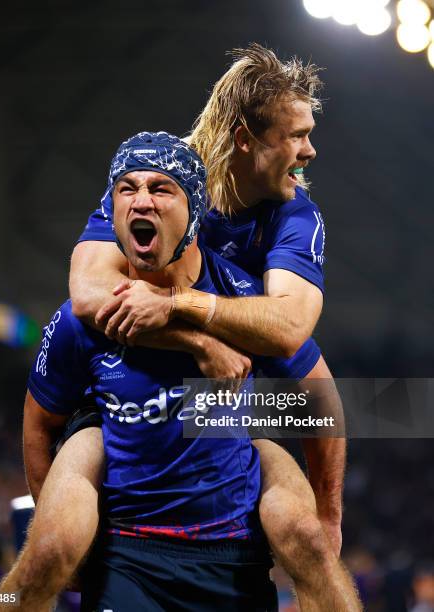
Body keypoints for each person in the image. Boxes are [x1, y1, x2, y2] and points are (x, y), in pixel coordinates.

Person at [69, 44, 359, 610]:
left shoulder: (295, 214)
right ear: (246, 139)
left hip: (225, 397)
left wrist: (328, 516)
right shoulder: (158, 179)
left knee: (312, 519)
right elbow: (87, 294)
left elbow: (291, 328)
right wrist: (194, 339)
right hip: (120, 389)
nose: (310, 149)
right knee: (53, 541)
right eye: (295, 135)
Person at [0, 132, 279, 612]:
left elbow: (319, 397)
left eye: (161, 188)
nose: (141, 199)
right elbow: (39, 424)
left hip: (230, 559)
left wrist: (320, 503)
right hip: (128, 556)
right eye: (127, 188)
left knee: (306, 533)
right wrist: (53, 519)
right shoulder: (80, 318)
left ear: (194, 212)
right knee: (46, 554)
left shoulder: (242, 304)